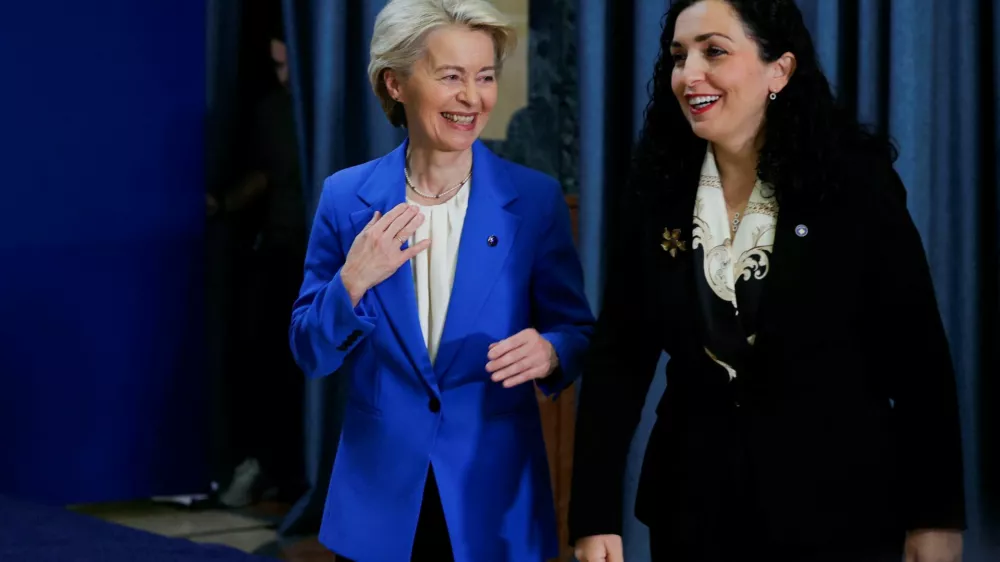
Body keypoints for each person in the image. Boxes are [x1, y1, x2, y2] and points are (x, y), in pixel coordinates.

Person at [568, 1, 966, 561]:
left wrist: (936, 517)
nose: (689, 74)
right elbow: (618, 358)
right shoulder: (659, 188)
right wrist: (594, 516)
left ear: (779, 70)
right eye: (679, 56)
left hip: (839, 509)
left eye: (715, 51)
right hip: (693, 511)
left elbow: (918, 356)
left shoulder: (853, 182)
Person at [288, 0, 595, 560]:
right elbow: (310, 352)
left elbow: (576, 330)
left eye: (484, 77)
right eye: (450, 77)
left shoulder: (534, 200)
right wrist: (350, 285)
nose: (472, 98)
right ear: (395, 83)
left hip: (494, 496)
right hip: (378, 500)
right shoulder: (344, 198)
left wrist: (551, 352)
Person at [212, 25, 307, 508]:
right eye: (276, 66)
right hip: (280, 251)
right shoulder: (273, 111)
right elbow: (265, 176)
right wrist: (222, 204)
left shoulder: (330, 108)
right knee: (265, 360)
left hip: (324, 255)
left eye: (288, 63)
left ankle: (294, 472)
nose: (283, 75)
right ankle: (266, 467)